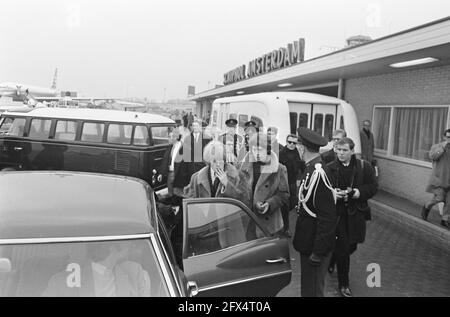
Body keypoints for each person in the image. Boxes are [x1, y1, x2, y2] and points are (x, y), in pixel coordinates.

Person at [326, 137, 378, 297]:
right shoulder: (329, 168)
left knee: (353, 245)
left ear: (352, 151)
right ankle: (344, 285)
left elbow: (373, 187)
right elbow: (325, 188)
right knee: (343, 248)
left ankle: (333, 257)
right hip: (339, 214)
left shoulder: (364, 167)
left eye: (344, 150)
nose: (340, 153)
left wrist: (357, 193)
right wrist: (334, 194)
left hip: (356, 213)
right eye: (338, 150)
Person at [292, 128, 337, 297]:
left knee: (313, 291)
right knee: (308, 289)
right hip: (309, 241)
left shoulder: (318, 173)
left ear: (302, 148)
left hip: (315, 245)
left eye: (298, 146)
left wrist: (318, 252)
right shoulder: (311, 168)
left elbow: (327, 218)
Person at [42, 242, 151, 297]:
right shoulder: (62, 282)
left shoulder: (134, 272)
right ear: (112, 248)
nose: (132, 249)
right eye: (128, 245)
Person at [239, 132, 289, 236]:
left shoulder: (279, 169)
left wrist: (269, 204)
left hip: (268, 224)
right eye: (253, 149)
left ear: (268, 149)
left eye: (259, 150)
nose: (256, 153)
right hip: (247, 221)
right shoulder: (243, 167)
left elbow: (284, 194)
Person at [422, 128, 450, 229]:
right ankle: (426, 206)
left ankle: (445, 219)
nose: (449, 139)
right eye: (448, 137)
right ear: (444, 137)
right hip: (439, 179)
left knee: (449, 201)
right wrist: (443, 148)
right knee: (439, 198)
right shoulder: (437, 146)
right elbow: (432, 156)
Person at [279, 134, 305, 237]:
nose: (291, 144)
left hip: (292, 183)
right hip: (283, 183)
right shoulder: (281, 154)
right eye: (289, 142)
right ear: (286, 142)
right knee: (284, 206)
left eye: (294, 143)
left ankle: (283, 225)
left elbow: (301, 167)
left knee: (292, 203)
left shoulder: (297, 153)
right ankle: (285, 228)